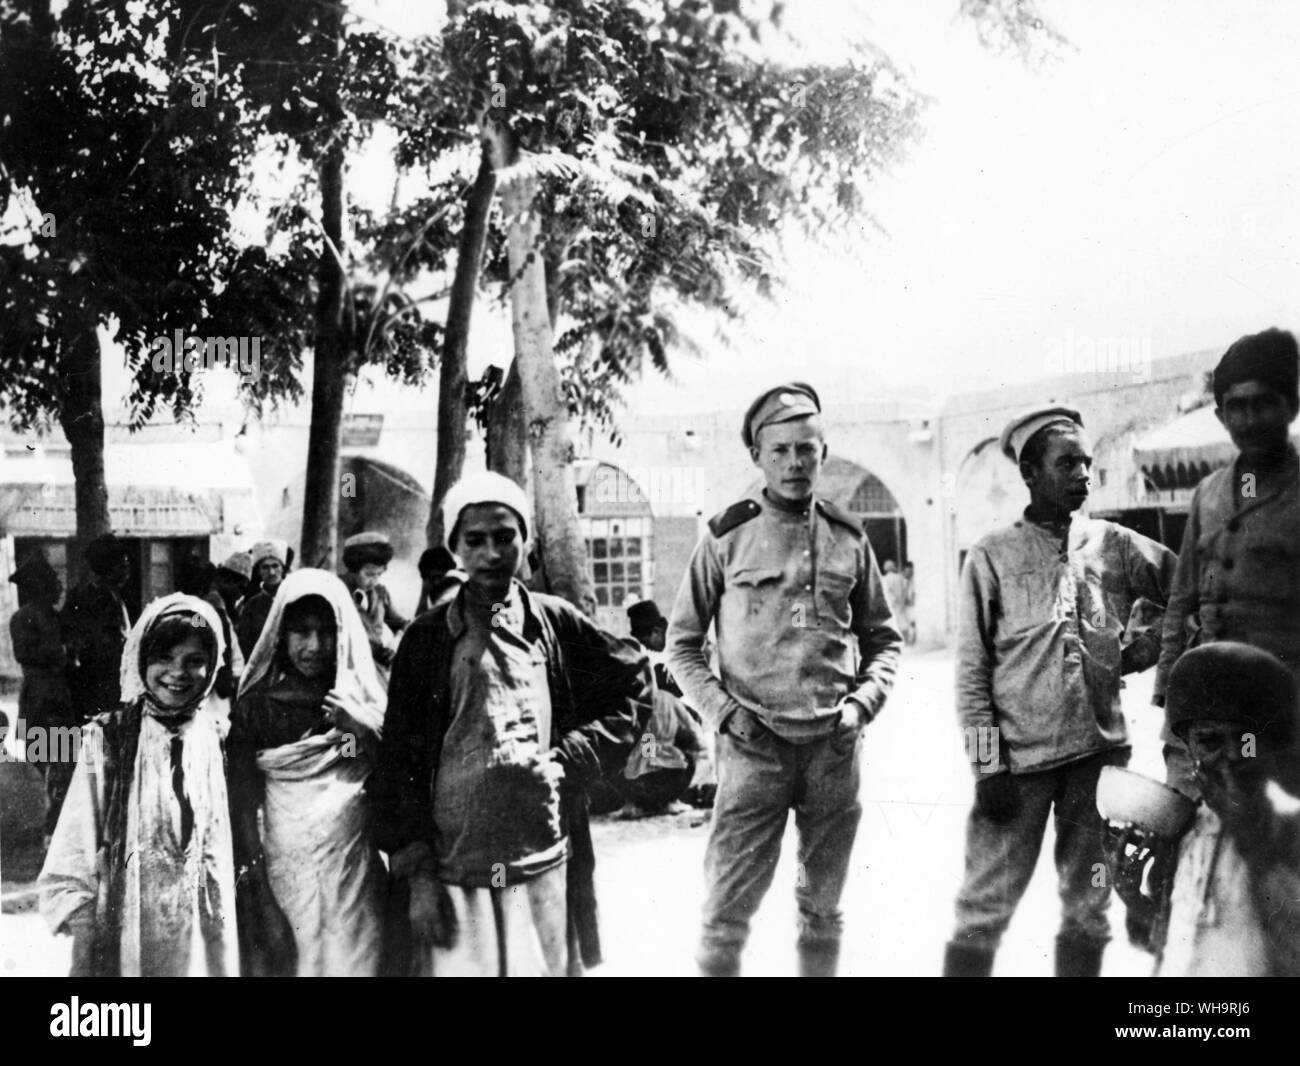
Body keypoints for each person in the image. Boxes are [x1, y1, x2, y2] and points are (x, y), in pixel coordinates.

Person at [667, 382, 903, 978]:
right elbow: (682, 645)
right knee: (727, 910)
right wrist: (725, 714)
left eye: (807, 449)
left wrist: (860, 707)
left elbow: (883, 639)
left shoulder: (850, 538)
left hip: (833, 748)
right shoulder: (725, 536)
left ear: (824, 452)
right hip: (754, 749)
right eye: (780, 451)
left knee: (823, 910)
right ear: (758, 457)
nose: (796, 463)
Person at [372, 471, 647, 977]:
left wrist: (574, 756)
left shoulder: (555, 622)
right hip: (454, 865)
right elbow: (398, 761)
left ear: (527, 542)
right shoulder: (426, 639)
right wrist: (418, 875)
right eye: (474, 540)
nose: (492, 553)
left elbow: (634, 684)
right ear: (454, 547)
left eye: (505, 537)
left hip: (542, 855)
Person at [943, 406, 1177, 978]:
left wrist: (1138, 652)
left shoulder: (1114, 544)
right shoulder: (990, 556)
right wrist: (986, 767)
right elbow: (972, 675)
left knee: (1088, 906)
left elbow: (1185, 591)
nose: (1083, 474)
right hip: (1017, 771)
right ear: (1029, 473)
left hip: (1097, 768)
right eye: (1067, 463)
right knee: (983, 906)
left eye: (1088, 462)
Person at [38, 594, 239, 976]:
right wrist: (84, 933)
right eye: (163, 658)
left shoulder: (218, 737)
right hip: (132, 926)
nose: (177, 672)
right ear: (140, 660)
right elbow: (76, 845)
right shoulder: (111, 738)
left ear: (212, 668)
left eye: (194, 661)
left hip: (200, 930)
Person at [1154, 328, 1300, 798]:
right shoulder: (1207, 494)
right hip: (1205, 705)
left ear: (1292, 407)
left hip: (1283, 713)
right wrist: (1168, 695)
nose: (1250, 419)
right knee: (1189, 839)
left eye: (1264, 403)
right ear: (1220, 415)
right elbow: (1181, 600)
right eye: (1236, 406)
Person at [227, 569, 387, 977]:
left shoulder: (363, 699)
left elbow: (401, 779)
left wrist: (364, 730)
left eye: (326, 631)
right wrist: (259, 891)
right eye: (301, 632)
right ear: (280, 635)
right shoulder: (257, 709)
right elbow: (241, 805)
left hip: (353, 870)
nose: (314, 646)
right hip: (283, 872)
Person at [1106, 642, 1300, 976]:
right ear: (1187, 747)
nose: (1235, 755)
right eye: (1210, 742)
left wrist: (1249, 834)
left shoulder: (1288, 825)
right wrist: (1132, 897)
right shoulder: (1189, 826)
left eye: (1247, 740)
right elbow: (1167, 941)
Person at [8, 554, 77, 840]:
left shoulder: (53, 616)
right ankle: (49, 828)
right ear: (38, 585)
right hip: (41, 698)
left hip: (58, 696)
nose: (58, 586)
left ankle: (56, 825)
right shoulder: (24, 617)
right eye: (52, 581)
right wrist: (62, 653)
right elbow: (26, 653)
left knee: (62, 764)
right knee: (48, 763)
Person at [62, 532, 131, 721]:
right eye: (123, 566)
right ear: (109, 568)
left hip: (103, 678)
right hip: (99, 680)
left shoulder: (110, 595)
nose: (127, 572)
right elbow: (101, 644)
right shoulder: (99, 597)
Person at [340, 531, 409, 682]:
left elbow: (404, 624)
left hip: (378, 669)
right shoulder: (338, 591)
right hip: (346, 671)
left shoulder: (380, 594)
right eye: (369, 574)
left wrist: (396, 642)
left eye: (379, 575)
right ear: (353, 568)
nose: (375, 581)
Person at [236, 539, 288, 659]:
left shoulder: (293, 598)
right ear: (259, 572)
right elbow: (244, 643)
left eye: (275, 566)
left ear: (282, 569)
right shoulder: (252, 605)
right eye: (265, 567)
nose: (271, 572)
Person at [416, 546, 463, 615]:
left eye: (439, 577)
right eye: (432, 579)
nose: (437, 582)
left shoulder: (456, 587)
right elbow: (419, 622)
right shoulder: (434, 592)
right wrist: (424, 594)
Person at [213, 551, 253, 620]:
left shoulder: (229, 607)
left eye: (244, 591)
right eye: (241, 588)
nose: (240, 595)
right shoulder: (213, 603)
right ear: (227, 580)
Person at [901, 562, 917, 646]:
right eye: (906, 571)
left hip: (912, 605)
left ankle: (913, 639)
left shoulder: (914, 580)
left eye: (910, 571)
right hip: (907, 605)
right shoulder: (905, 581)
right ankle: (910, 640)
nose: (908, 573)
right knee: (909, 623)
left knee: (912, 622)